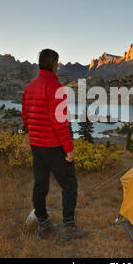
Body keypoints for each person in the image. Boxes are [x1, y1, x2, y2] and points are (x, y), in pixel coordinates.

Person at [21, 48, 89, 240]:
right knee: (69, 183)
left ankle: (44, 224)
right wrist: (69, 150)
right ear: (54, 64)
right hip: (53, 145)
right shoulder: (56, 88)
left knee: (40, 183)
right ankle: (69, 227)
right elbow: (60, 123)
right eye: (57, 63)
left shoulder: (29, 87)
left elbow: (25, 118)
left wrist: (33, 132)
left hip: (36, 144)